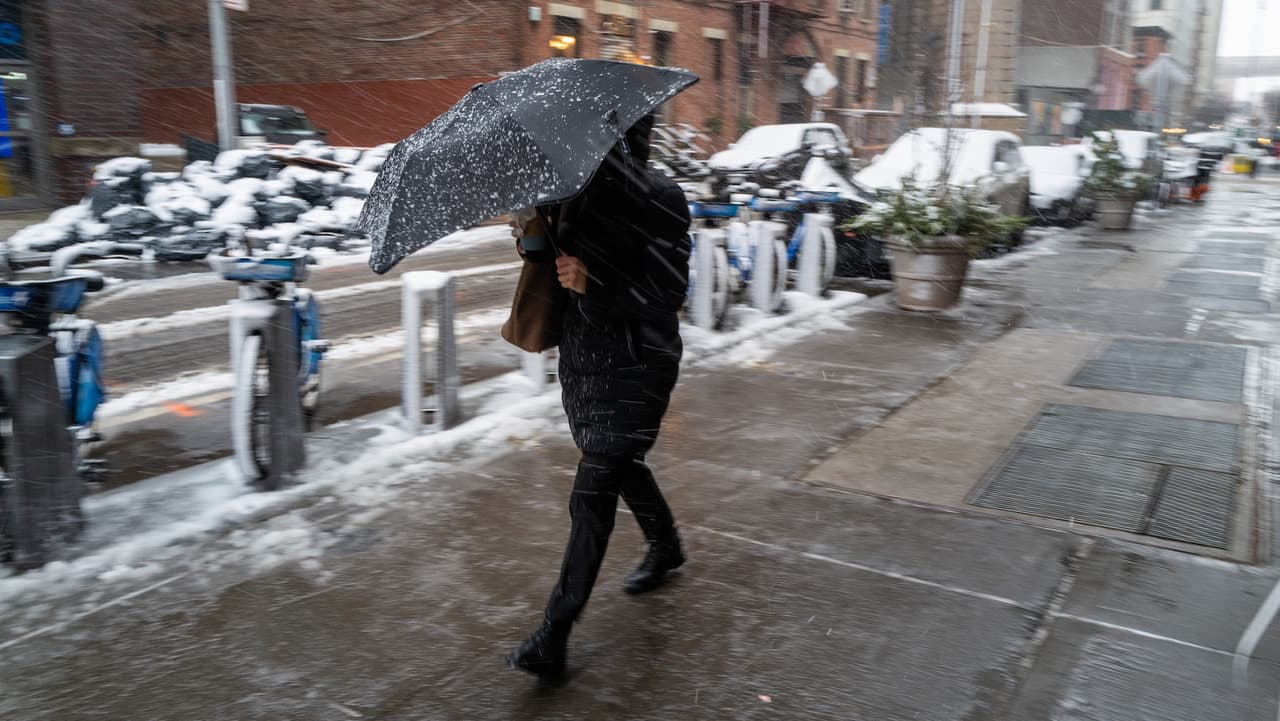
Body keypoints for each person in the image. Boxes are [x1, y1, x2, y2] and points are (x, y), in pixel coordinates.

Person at [507, 114, 692, 677]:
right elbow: (549, 262)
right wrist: (530, 230)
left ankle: (553, 633)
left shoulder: (659, 196)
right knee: (619, 461)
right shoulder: (569, 189)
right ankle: (666, 547)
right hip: (585, 356)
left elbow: (668, 291)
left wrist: (597, 281)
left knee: (594, 487)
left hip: (639, 357)